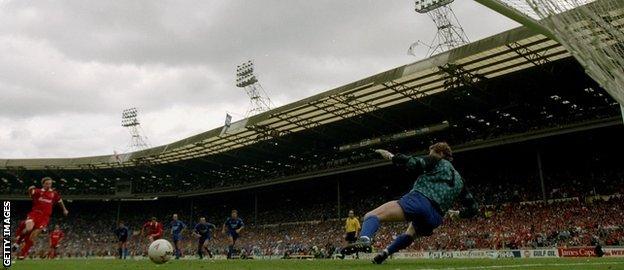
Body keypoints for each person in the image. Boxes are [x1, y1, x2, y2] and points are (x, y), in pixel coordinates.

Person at [340, 142, 479, 264]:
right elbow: (473, 208)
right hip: (436, 217)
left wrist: (391, 156)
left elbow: (414, 163)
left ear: (441, 153)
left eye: (431, 153)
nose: (429, 156)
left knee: (372, 215)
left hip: (420, 201)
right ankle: (385, 253)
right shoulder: (460, 181)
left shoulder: (437, 161)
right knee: (410, 233)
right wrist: (459, 214)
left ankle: (364, 240)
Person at [14, 177, 69, 259]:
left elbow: (60, 201)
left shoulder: (54, 193)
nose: (48, 185)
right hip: (35, 213)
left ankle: (23, 254)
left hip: (45, 217)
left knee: (33, 235)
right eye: (47, 184)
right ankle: (17, 243)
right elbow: (30, 194)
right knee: (29, 228)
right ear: (43, 184)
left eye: (50, 184)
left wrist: (64, 209)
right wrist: (30, 189)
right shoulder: (38, 191)